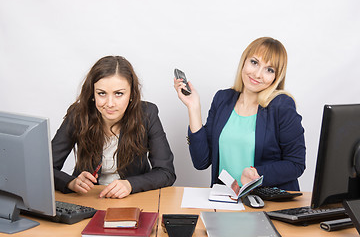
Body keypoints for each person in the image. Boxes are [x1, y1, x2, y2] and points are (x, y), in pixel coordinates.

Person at [174, 37, 305, 191]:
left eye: (269, 70)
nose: (257, 74)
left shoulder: (282, 105)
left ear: (276, 77)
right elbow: (201, 161)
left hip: (266, 202)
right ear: (244, 61)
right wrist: (193, 107)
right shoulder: (223, 99)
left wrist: (257, 174)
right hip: (226, 200)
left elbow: (296, 164)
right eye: (254, 62)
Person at [53, 56, 176, 198]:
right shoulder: (78, 114)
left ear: (131, 94)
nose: (110, 103)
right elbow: (44, 168)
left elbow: (166, 172)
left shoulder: (147, 114)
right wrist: (70, 182)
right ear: (92, 94)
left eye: (119, 94)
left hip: (133, 198)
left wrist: (130, 184)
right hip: (87, 198)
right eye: (101, 93)